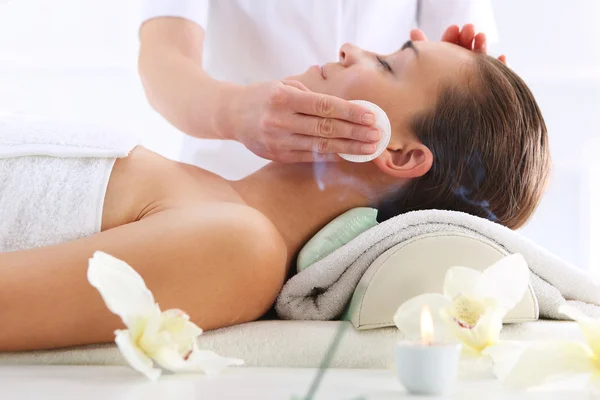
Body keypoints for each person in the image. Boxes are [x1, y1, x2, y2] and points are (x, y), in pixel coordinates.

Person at [0, 27, 549, 353]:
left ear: (399, 154)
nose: (350, 47)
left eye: (386, 62)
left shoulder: (240, 246)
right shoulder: (217, 206)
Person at [138, 0, 499, 179]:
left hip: (372, 203)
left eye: (388, 61)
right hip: (230, 172)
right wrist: (231, 111)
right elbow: (163, 56)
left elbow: (477, 76)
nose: (346, 50)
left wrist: (482, 110)